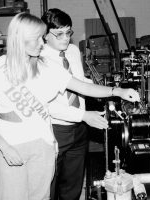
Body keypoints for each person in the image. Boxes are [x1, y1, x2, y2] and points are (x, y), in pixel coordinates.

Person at [0, 12, 140, 200]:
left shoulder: (45, 66)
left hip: (44, 143)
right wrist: (4, 147)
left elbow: (82, 86)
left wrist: (117, 91)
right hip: (12, 144)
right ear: (19, 39)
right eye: (37, 38)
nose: (42, 43)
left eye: (42, 37)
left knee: (41, 195)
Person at [40, 8, 107, 200]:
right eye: (59, 33)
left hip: (79, 128)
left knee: (74, 180)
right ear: (44, 35)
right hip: (54, 128)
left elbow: (78, 81)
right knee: (50, 181)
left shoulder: (73, 50)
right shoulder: (39, 58)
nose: (65, 38)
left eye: (68, 32)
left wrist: (102, 89)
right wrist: (84, 115)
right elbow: (47, 104)